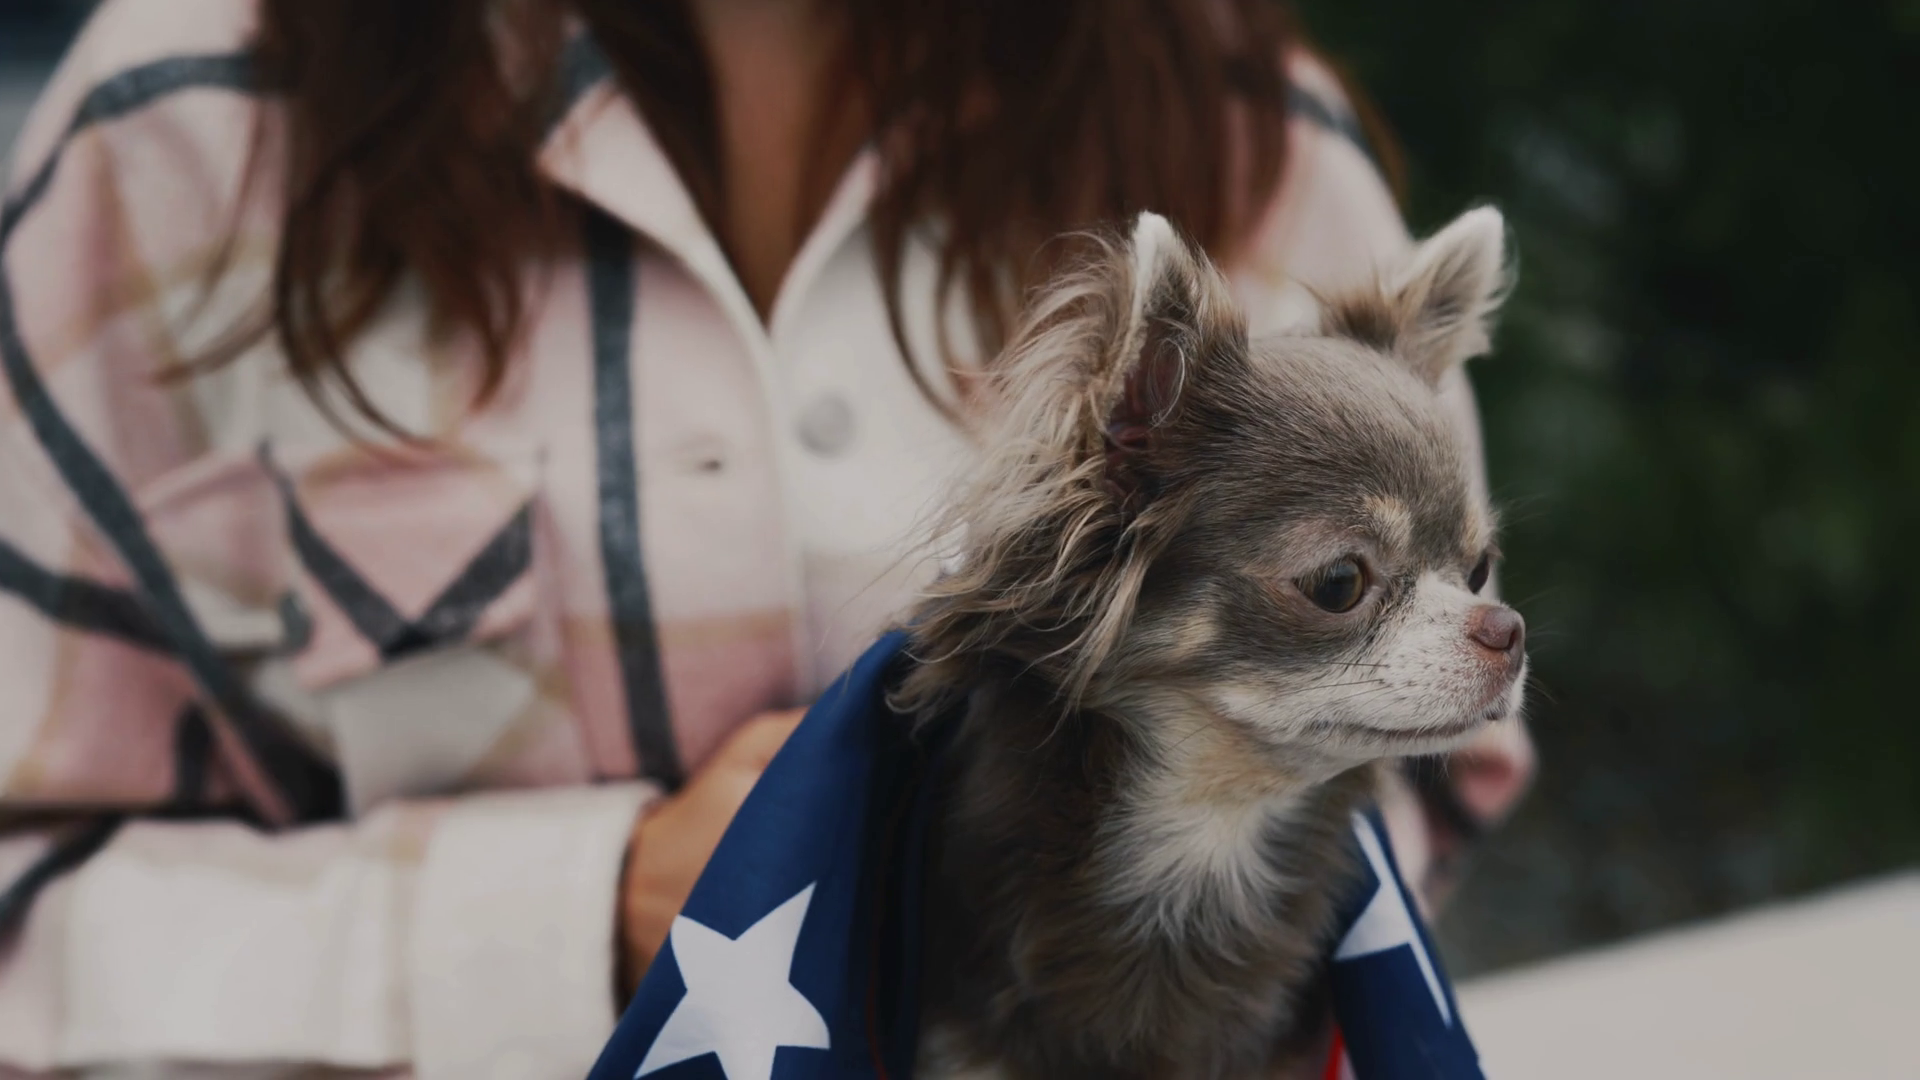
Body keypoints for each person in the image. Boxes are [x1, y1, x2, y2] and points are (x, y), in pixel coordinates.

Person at [0, 0, 1534, 1076]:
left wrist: (1183, 936)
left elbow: (1436, 775)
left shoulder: (1241, 127)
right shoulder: (184, 134)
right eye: (1336, 576)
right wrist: (578, 915)